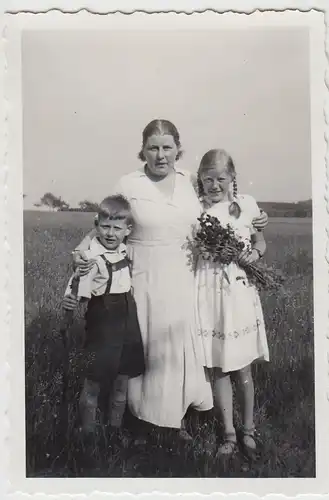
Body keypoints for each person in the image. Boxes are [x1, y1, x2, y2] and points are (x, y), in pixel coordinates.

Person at [72, 120, 268, 439]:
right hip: (142, 273)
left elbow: (226, 202)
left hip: (187, 274)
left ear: (178, 148)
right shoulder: (129, 183)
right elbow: (107, 222)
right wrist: (82, 248)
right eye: (153, 147)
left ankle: (179, 413)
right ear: (143, 150)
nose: (161, 155)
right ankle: (144, 417)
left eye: (167, 147)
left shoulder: (190, 180)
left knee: (181, 342)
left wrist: (259, 218)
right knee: (148, 344)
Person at [195, 149, 269, 457]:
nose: (214, 186)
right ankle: (227, 432)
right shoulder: (195, 209)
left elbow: (260, 242)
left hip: (238, 292)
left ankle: (248, 429)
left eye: (221, 179)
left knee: (241, 366)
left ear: (232, 178)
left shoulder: (246, 206)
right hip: (209, 292)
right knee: (219, 367)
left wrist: (255, 254)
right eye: (208, 179)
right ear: (200, 179)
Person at [62, 195, 145, 434]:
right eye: (105, 227)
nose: (110, 233)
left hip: (128, 324)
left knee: (122, 380)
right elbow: (76, 288)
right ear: (96, 226)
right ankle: (87, 431)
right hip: (103, 325)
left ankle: (115, 429)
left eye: (117, 228)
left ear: (128, 230)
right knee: (94, 380)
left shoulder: (126, 252)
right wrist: (71, 299)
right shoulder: (91, 258)